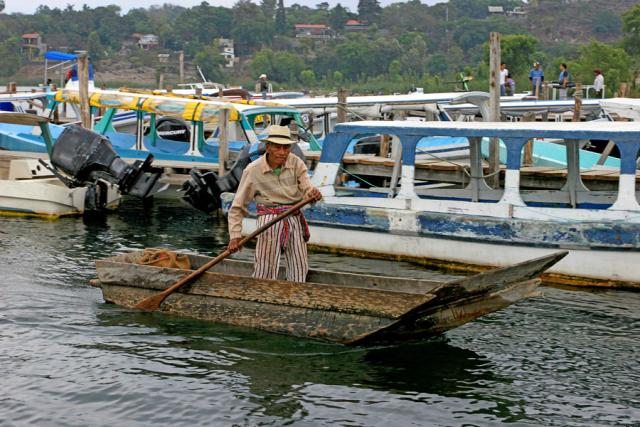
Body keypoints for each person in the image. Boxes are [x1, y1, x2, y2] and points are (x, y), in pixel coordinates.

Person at [227, 125, 322, 283]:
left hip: (293, 216)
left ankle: (295, 293)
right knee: (266, 266)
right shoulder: (253, 170)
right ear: (268, 147)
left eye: (286, 148)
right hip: (269, 219)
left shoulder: (296, 163)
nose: (283, 152)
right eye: (278, 147)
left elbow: (307, 187)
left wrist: (312, 194)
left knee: (299, 266)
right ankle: (261, 292)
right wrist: (235, 236)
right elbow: (238, 207)